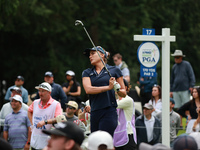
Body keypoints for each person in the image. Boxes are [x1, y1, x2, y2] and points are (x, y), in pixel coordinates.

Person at [82, 46, 126, 136]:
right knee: (96, 143)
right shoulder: (87, 72)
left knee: (104, 142)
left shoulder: (115, 70)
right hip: (94, 112)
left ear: (102, 55)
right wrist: (108, 87)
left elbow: (124, 93)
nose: (90, 56)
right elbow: (88, 89)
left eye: (93, 54)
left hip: (109, 111)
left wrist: (116, 89)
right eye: (89, 55)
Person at [28, 82, 62, 150]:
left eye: (43, 91)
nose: (40, 93)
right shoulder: (35, 102)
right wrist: (32, 123)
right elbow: (29, 111)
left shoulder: (56, 104)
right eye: (39, 91)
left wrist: (45, 122)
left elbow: (59, 119)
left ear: (49, 92)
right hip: (35, 140)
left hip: (47, 142)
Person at [113, 79, 137, 150]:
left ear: (125, 88)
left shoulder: (128, 100)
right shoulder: (116, 101)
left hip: (128, 135)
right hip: (118, 136)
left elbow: (112, 105)